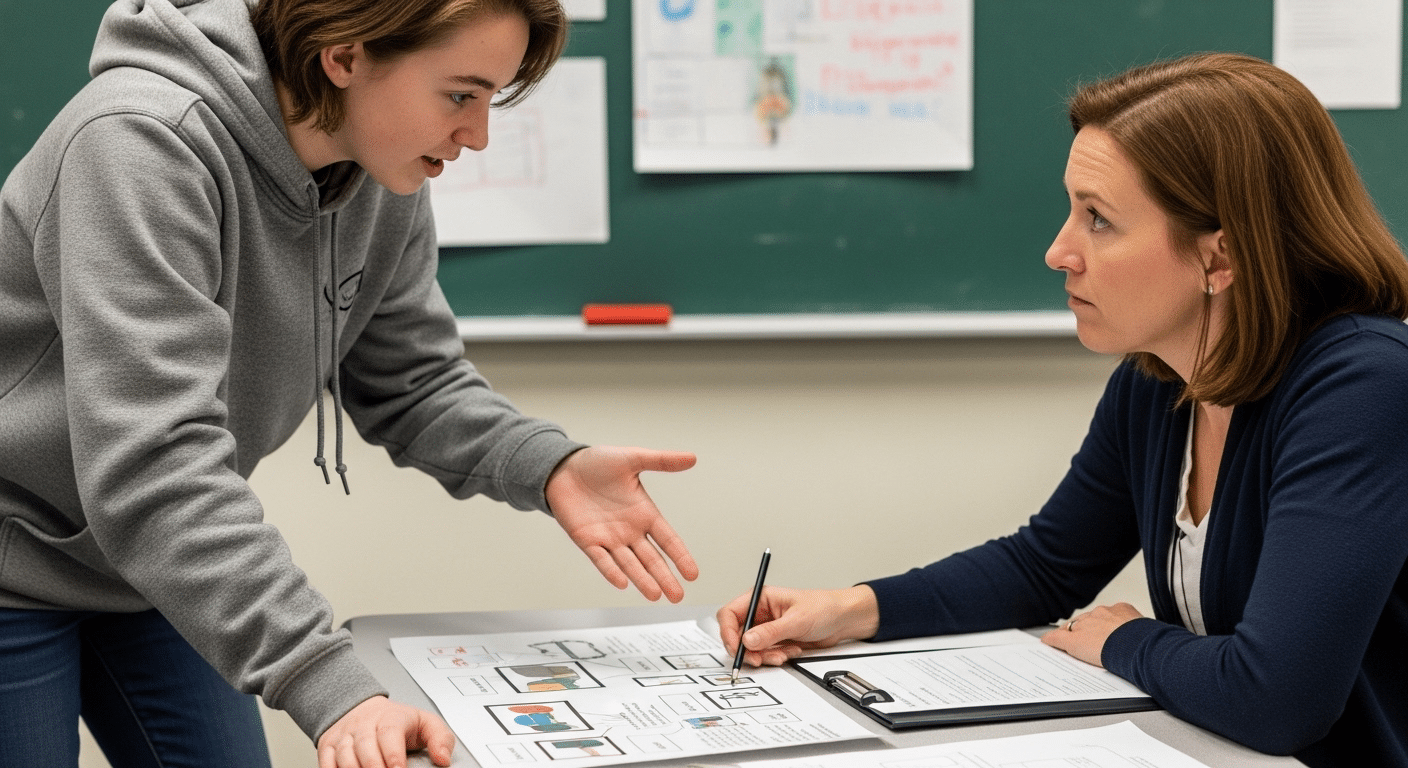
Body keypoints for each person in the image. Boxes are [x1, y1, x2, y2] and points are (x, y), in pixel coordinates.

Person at [0, 0, 700, 766]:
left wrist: (550, 464)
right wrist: (327, 678)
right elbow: (154, 463)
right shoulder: (143, 142)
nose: (478, 135)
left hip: (153, 568)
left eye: (491, 99)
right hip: (19, 555)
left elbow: (414, 382)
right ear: (345, 56)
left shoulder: (374, 171)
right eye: (461, 95)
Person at [718, 53, 1408, 768]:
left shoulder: (1364, 386)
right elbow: (1046, 566)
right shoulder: (1160, 380)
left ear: (1219, 258)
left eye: (1100, 220)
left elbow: (1278, 698)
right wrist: (851, 609)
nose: (1058, 252)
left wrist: (1122, 640)